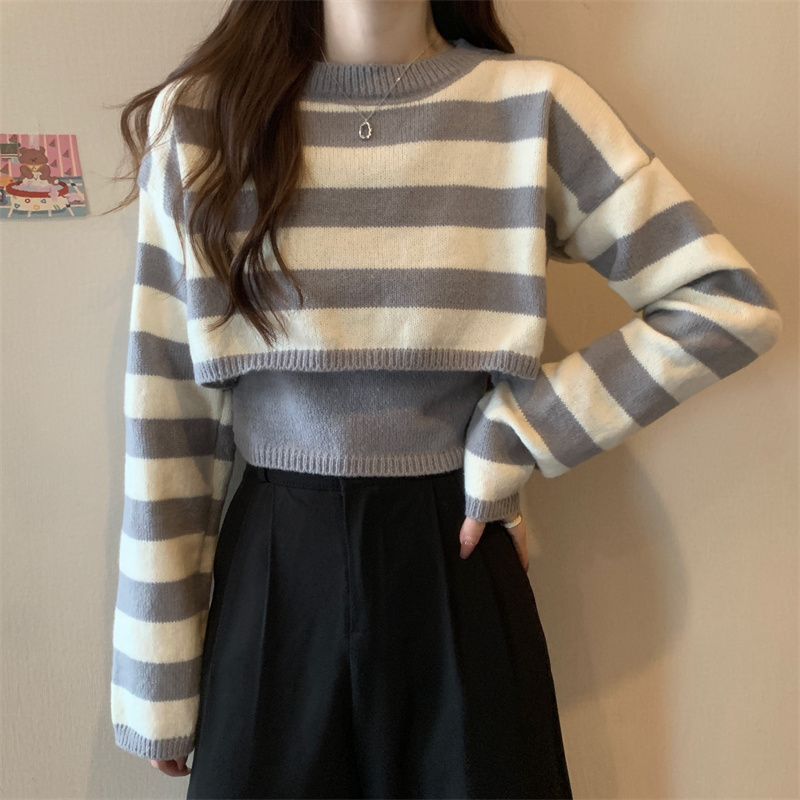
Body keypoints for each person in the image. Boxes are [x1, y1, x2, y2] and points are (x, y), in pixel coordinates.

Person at [108, 1, 783, 798]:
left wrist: (517, 431)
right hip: (274, 570)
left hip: (455, 554)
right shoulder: (202, 119)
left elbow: (723, 303)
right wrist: (156, 674)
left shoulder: (531, 106)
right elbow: (169, 409)